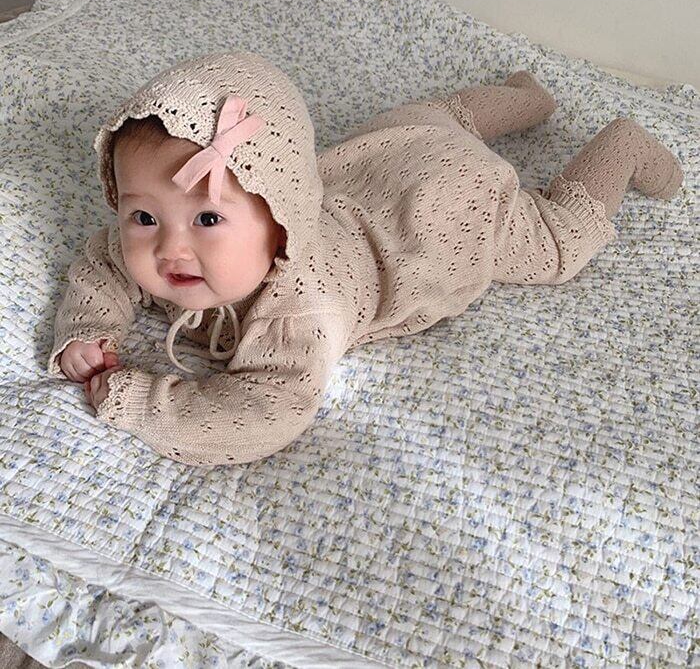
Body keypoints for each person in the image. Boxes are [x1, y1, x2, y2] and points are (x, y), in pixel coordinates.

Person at [47, 51, 683, 465]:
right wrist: (87, 328)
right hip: (376, 160)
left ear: (282, 222)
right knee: (432, 119)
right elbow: (103, 261)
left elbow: (264, 411)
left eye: (208, 218)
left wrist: (140, 401)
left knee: (557, 243)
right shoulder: (169, 252)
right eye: (143, 217)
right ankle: (527, 97)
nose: (168, 249)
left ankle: (623, 147)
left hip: (436, 216)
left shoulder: (300, 312)